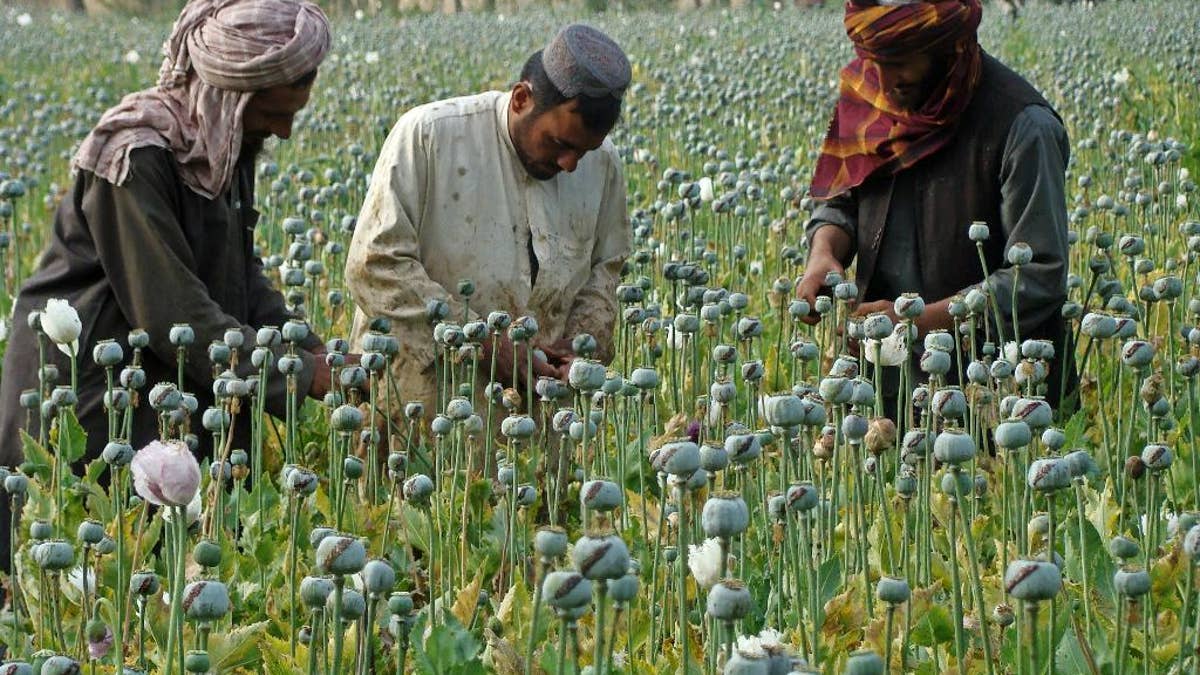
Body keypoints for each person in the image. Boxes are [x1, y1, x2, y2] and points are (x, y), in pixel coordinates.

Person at [0, 0, 335, 476]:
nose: (282, 131)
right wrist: (299, 375)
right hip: (94, 397)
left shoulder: (218, 146)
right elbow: (173, 315)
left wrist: (313, 352)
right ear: (228, 97)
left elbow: (239, 279)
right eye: (273, 114)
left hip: (170, 390)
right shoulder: (135, 157)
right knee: (111, 538)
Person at [345, 24, 632, 421]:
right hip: (419, 406)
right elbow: (375, 264)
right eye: (561, 145)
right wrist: (481, 341)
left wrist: (581, 347)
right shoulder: (429, 136)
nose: (570, 164)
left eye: (584, 151)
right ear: (520, 99)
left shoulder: (602, 164)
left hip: (538, 418)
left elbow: (606, 270)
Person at [796, 0, 1072, 411]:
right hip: (882, 386)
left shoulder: (1023, 126)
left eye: (902, 63)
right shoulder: (870, 98)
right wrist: (823, 254)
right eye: (876, 62)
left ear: (949, 47)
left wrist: (917, 323)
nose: (886, 83)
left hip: (1001, 399)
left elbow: (1037, 277)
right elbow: (839, 202)